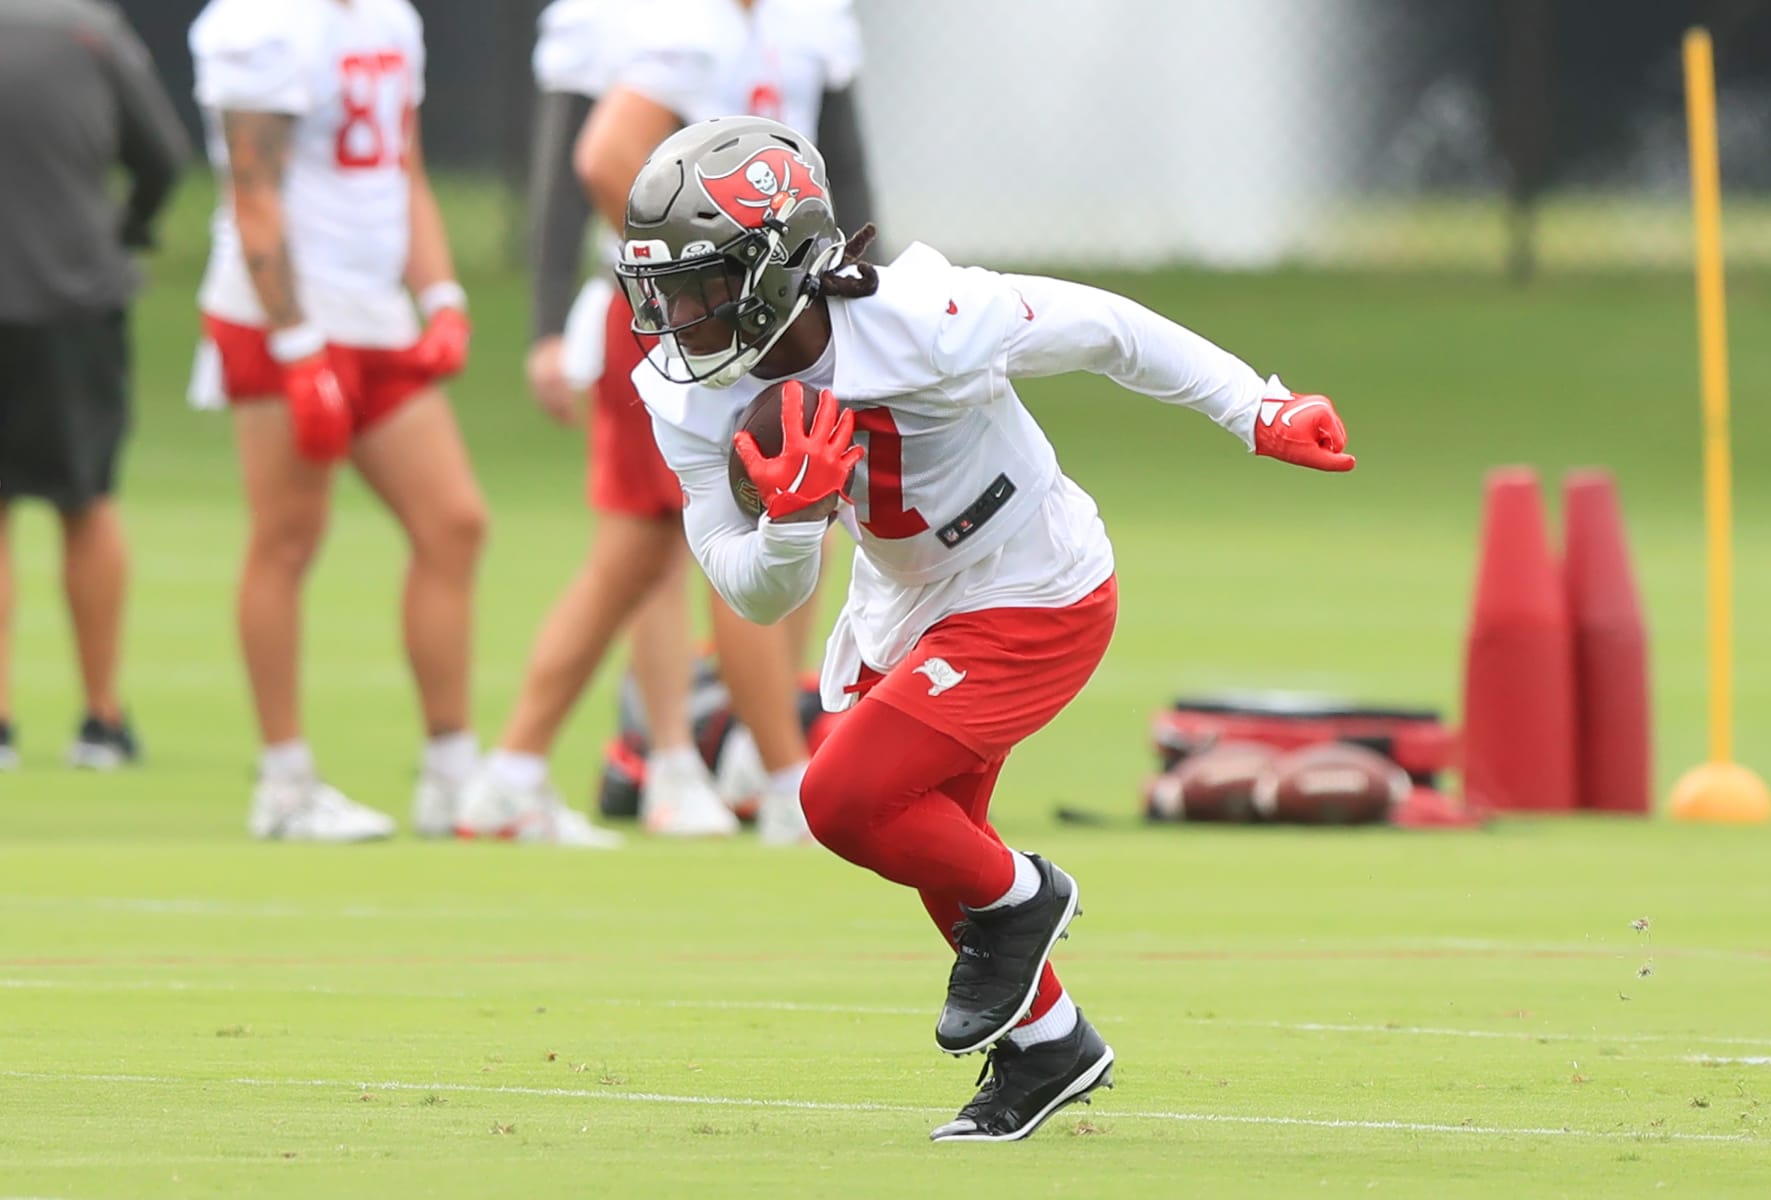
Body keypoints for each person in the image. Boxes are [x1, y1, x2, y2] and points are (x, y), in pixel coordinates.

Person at [618, 117, 1356, 1140]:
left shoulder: (928, 318)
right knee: (925, 837)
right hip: (907, 598)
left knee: (842, 796)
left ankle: (1025, 894)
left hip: (1032, 584)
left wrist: (1256, 410)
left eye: (704, 287)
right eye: (668, 290)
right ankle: (1051, 1044)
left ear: (781, 267)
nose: (680, 319)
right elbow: (752, 594)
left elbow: (1107, 327)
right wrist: (791, 522)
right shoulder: (681, 399)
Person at [458, 0, 867, 844]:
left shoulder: (799, 19)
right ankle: (775, 777)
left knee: (790, 517)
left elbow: (836, 170)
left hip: (762, 310)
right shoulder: (679, 24)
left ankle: (748, 764)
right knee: (688, 539)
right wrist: (696, 280)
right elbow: (602, 155)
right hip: (710, 319)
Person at [188, 0, 499, 843]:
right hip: (278, 313)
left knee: (454, 523)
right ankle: (284, 783)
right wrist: (297, 349)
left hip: (370, 309)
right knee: (288, 537)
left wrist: (439, 294)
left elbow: (402, 166)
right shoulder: (263, 22)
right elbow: (252, 190)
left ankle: (450, 774)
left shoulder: (389, 17)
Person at [0, 0, 190, 771]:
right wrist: (127, 226)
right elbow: (164, 157)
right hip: (72, 298)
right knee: (87, 500)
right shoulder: (91, 32)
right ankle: (101, 720)